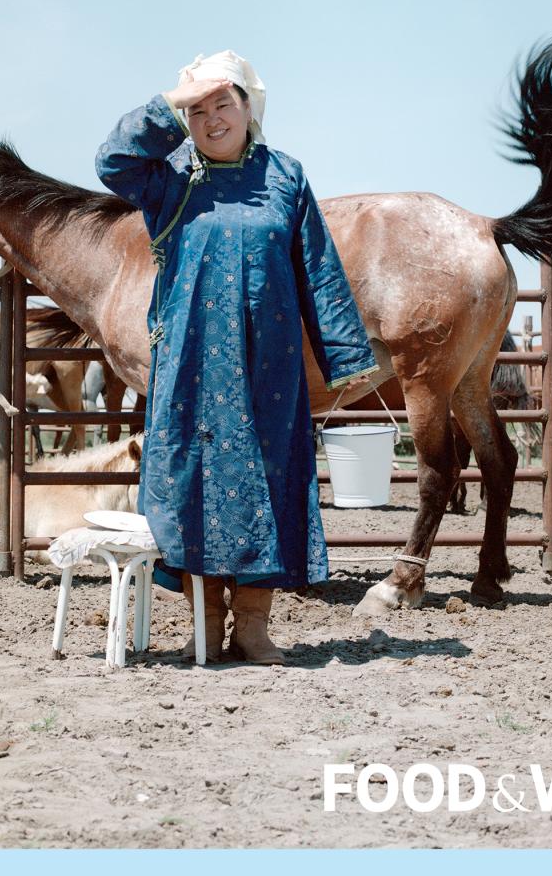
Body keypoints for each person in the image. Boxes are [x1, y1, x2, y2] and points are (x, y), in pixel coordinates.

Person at [95, 50, 377, 665]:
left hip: (269, 368)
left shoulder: (286, 176)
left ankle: (252, 627)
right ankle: (204, 625)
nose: (212, 119)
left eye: (224, 103)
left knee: (268, 481)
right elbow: (111, 160)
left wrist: (344, 354)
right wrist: (171, 102)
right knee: (192, 484)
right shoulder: (169, 178)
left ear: (250, 108)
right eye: (197, 111)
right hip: (190, 367)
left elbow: (318, 268)